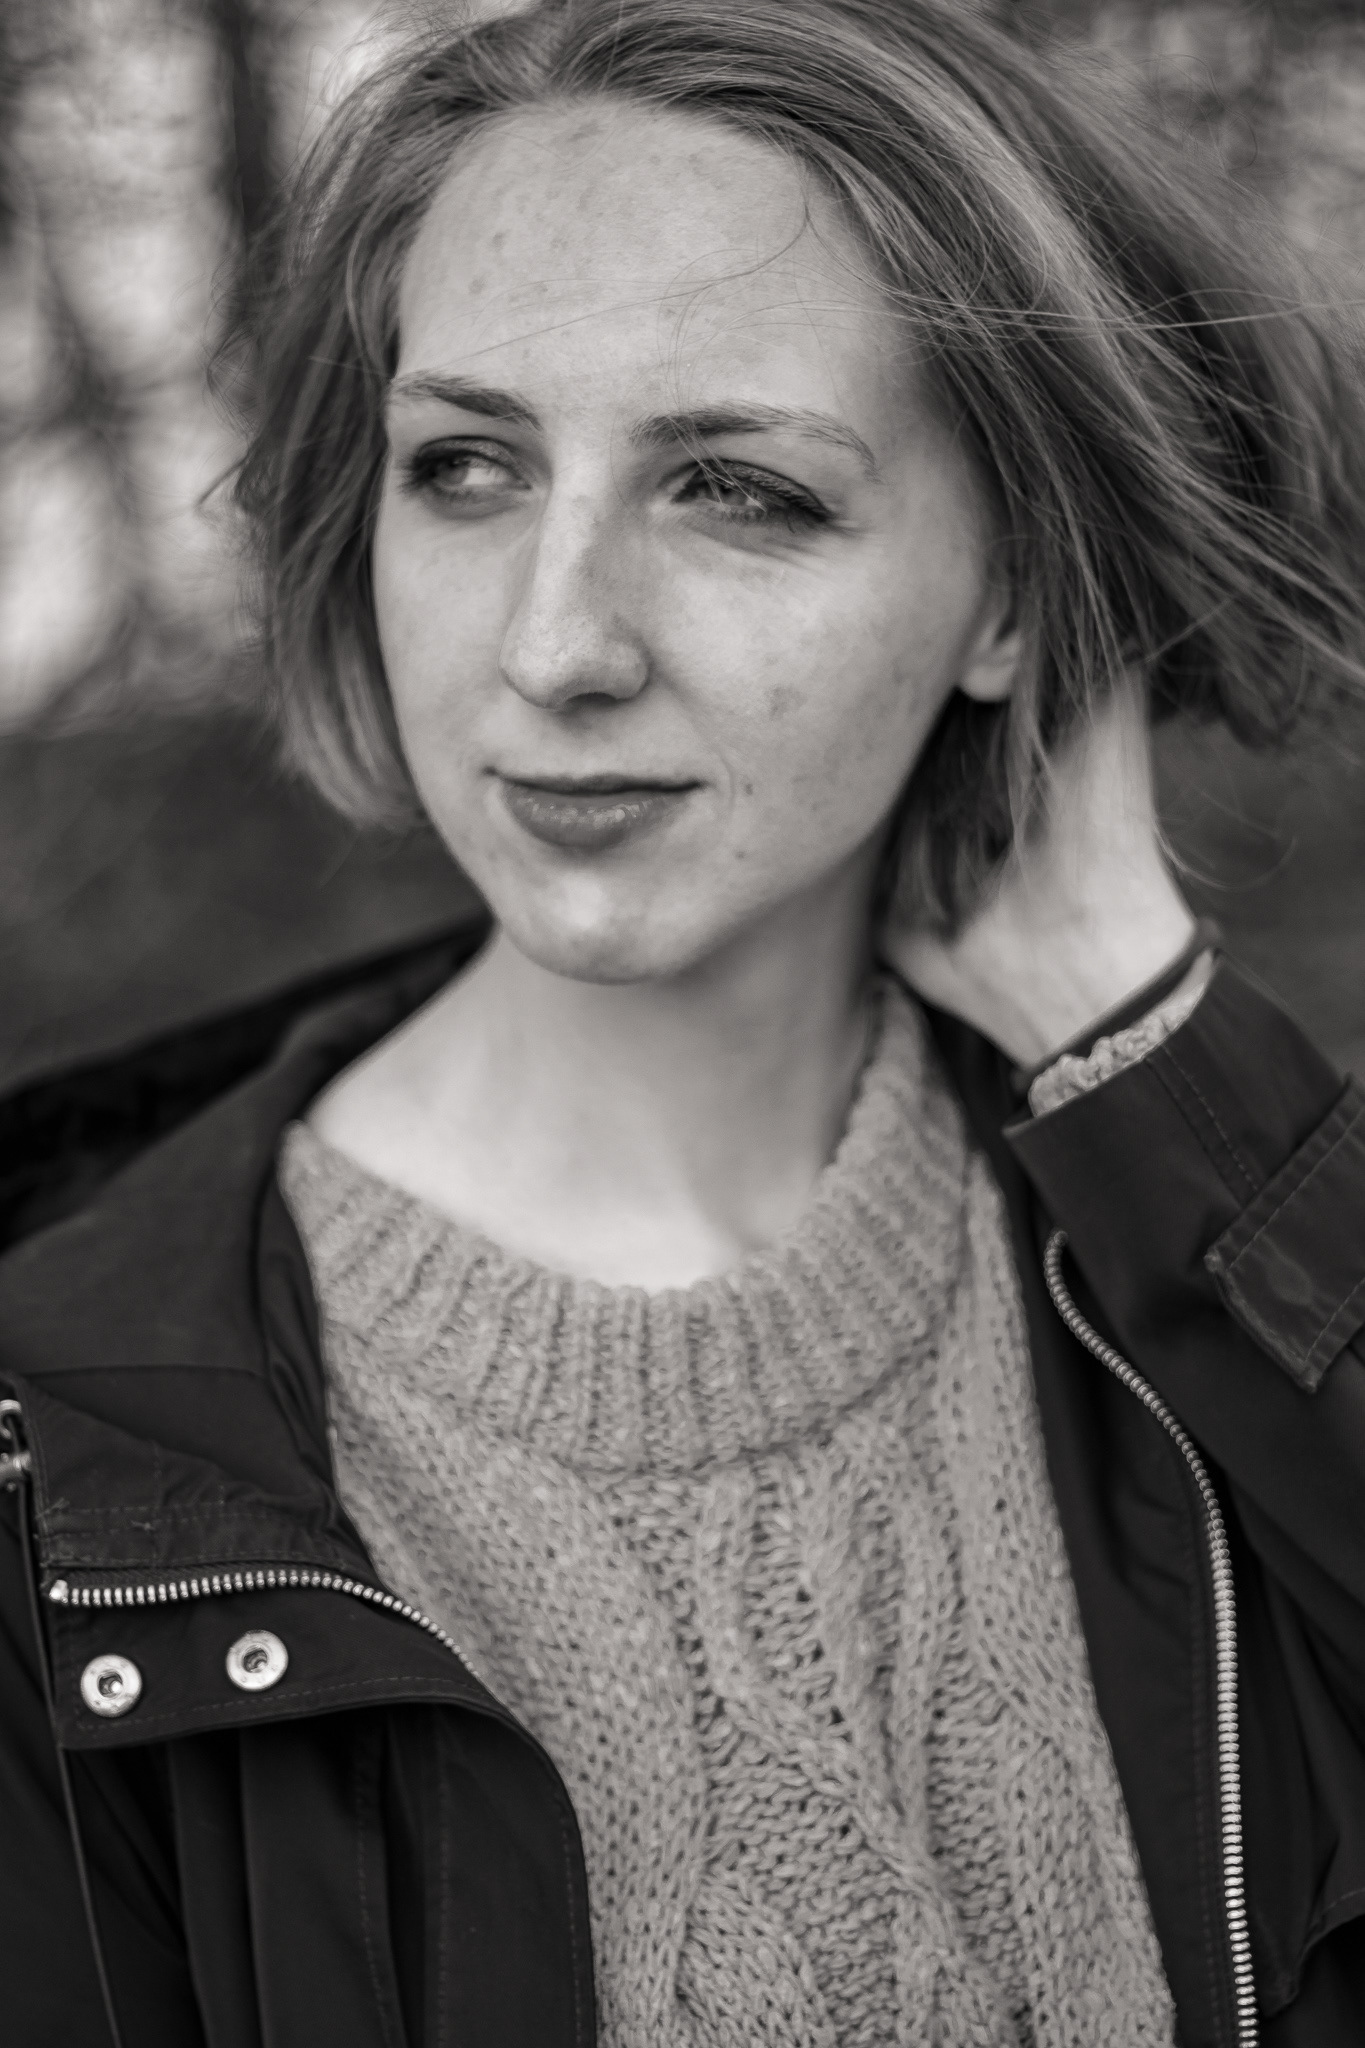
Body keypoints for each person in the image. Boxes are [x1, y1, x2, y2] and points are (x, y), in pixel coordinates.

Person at [2, 1, 1365, 2042]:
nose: (554, 646)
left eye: (733, 487)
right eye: (465, 467)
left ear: (1011, 592)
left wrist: (1147, 1046)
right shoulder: (59, 1480)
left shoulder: (1207, 1245)